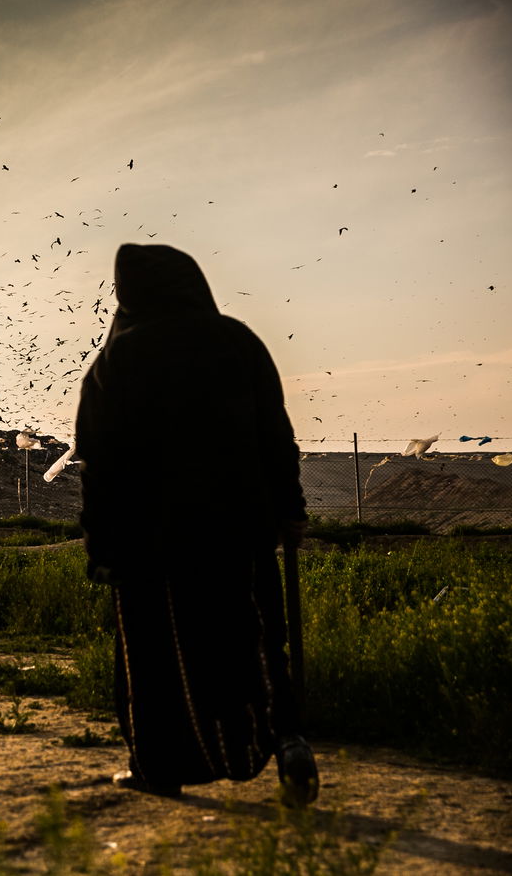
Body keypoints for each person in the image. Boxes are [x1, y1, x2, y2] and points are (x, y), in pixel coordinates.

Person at [75, 242, 318, 806]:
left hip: (150, 541)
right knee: (257, 638)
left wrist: (101, 543)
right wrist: (290, 510)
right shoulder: (239, 343)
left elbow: (100, 463)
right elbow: (275, 437)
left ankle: (158, 766)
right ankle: (287, 741)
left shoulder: (117, 361)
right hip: (240, 527)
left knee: (153, 655)